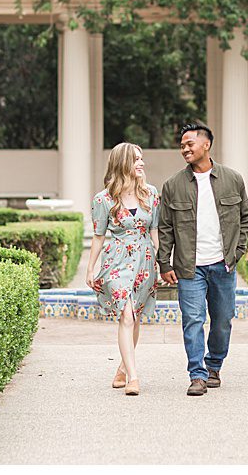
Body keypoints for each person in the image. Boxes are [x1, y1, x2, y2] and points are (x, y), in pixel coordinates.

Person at [158, 122, 248, 396]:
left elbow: (245, 217)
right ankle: (197, 375)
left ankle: (214, 366)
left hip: (223, 265)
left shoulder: (232, 179)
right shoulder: (173, 185)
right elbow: (165, 227)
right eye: (182, 145)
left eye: (190, 144)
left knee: (222, 320)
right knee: (193, 320)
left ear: (206, 145)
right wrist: (165, 263)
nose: (184, 148)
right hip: (189, 267)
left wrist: (237, 252)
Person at [85, 142, 161, 396]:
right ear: (122, 164)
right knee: (126, 316)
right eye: (135, 159)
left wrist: (160, 264)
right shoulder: (103, 199)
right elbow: (98, 236)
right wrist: (90, 269)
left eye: (142, 158)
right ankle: (134, 377)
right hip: (116, 262)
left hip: (145, 262)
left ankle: (121, 368)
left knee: (136, 316)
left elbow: (154, 232)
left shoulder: (151, 194)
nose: (141, 163)